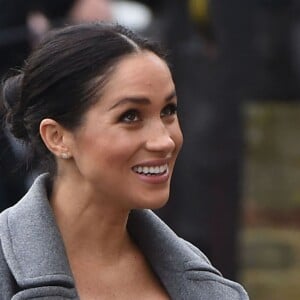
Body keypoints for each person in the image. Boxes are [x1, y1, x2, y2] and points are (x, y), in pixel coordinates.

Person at [0, 23, 248, 299]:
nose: (164, 140)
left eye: (168, 111)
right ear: (57, 137)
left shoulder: (211, 287)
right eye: (130, 116)